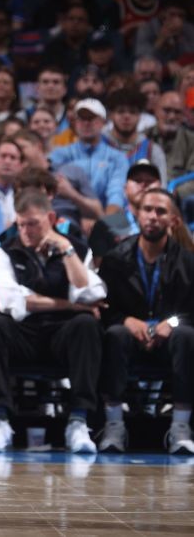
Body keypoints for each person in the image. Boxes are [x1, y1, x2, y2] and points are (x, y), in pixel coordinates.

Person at [0, 191, 105, 454]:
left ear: (52, 219)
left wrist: (67, 251)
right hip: (24, 331)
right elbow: (15, 301)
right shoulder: (6, 251)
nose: (26, 231)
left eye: (33, 223)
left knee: (86, 324)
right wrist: (70, 304)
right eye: (21, 224)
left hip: (62, 333)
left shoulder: (77, 248)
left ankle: (79, 421)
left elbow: (89, 292)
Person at [97, 188, 194, 455]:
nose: (153, 216)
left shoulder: (187, 262)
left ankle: (180, 428)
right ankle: (114, 424)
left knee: (186, 336)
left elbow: (191, 311)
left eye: (160, 211)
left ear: (173, 220)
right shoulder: (116, 259)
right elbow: (103, 308)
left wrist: (172, 323)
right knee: (115, 334)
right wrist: (126, 320)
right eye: (148, 209)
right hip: (130, 338)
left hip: (170, 341)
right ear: (136, 214)